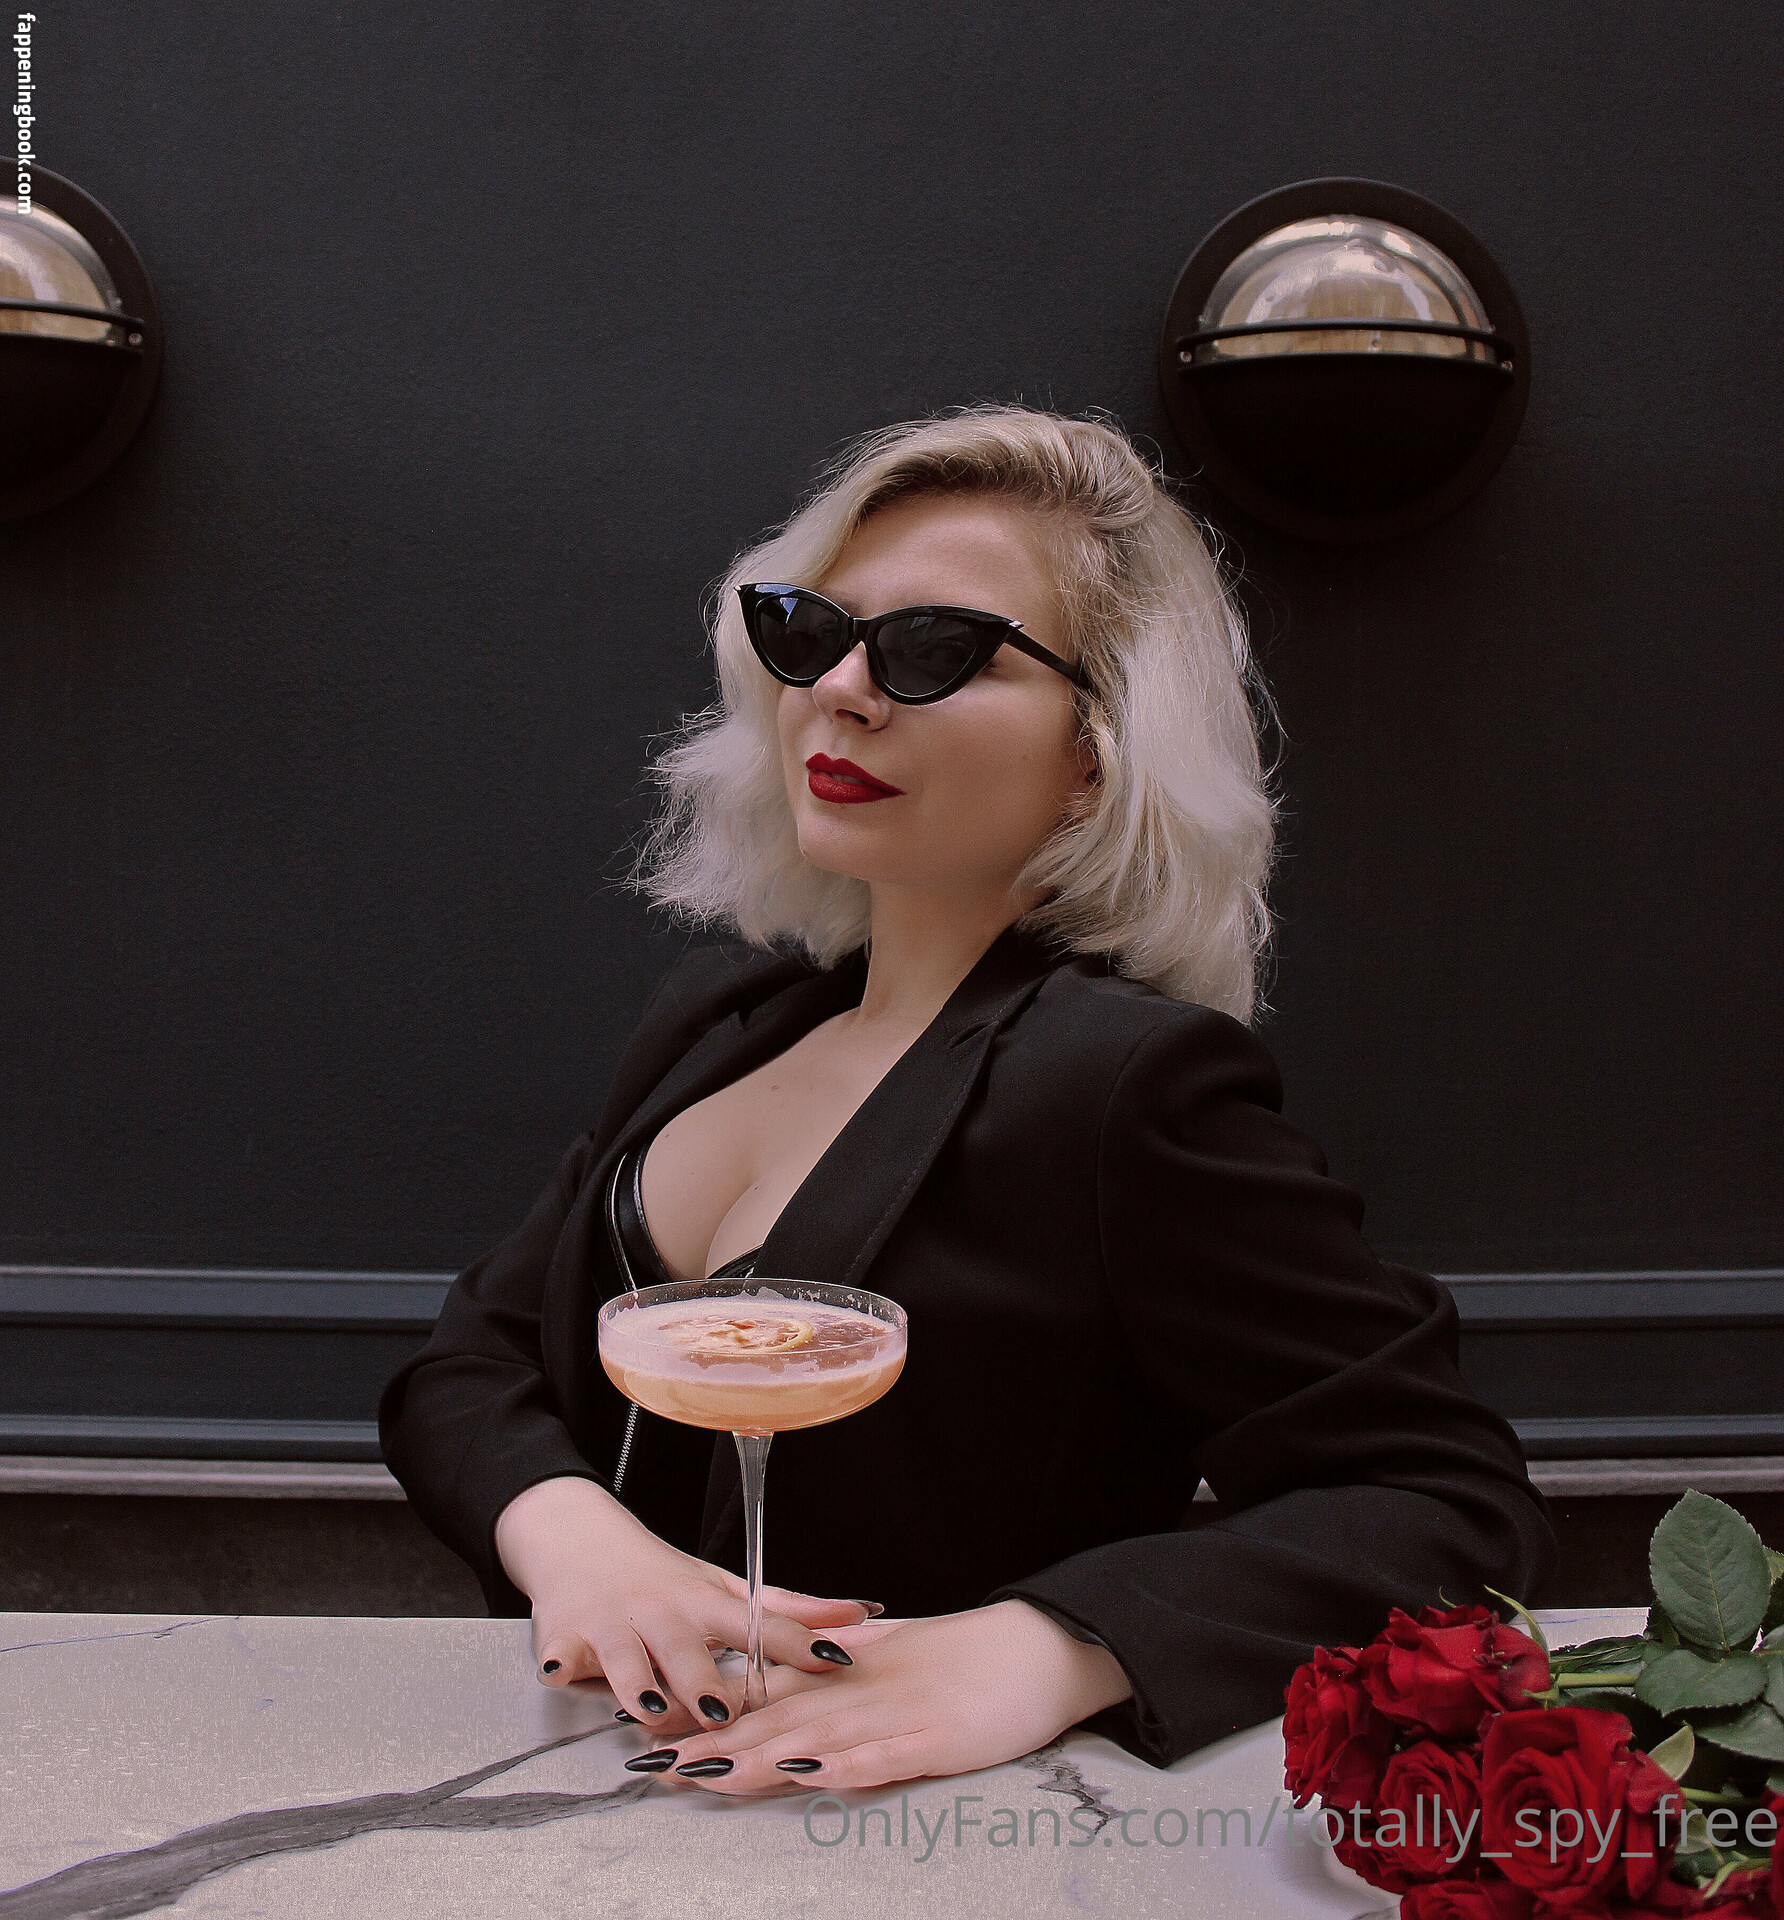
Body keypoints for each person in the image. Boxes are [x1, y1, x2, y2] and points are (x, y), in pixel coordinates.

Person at [379, 405, 1554, 1797]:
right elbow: (473, 1361)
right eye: (811, 633)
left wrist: (1053, 1648)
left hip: (915, 1824)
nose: (842, 690)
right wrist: (577, 1539)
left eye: (935, 650)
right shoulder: (726, 1019)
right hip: (565, 1791)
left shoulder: (1123, 1084)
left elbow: (1447, 1501)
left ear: (1097, 746)